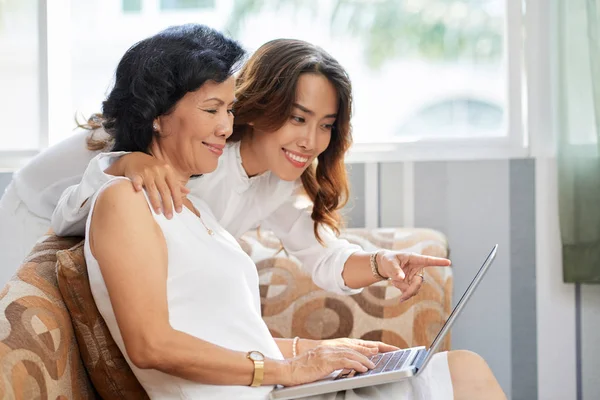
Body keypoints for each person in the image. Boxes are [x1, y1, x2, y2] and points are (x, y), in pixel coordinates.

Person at [84, 23, 505, 399]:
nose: (225, 125)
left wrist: (316, 349)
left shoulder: (199, 205)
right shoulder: (132, 194)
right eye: (213, 110)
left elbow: (317, 261)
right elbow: (152, 344)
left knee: (463, 369)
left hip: (266, 383)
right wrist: (122, 162)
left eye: (228, 110)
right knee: (461, 376)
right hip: (254, 387)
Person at [48, 38, 450, 301]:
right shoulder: (200, 152)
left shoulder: (277, 181)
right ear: (264, 107)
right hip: (38, 208)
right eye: (297, 118)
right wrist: (123, 162)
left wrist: (383, 263)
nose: (311, 141)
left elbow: (325, 256)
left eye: (326, 125)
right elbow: (68, 215)